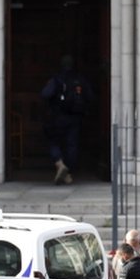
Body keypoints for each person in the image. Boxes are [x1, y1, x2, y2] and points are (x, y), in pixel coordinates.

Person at [40, 55, 94, 185]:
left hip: (58, 117)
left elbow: (45, 94)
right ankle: (68, 173)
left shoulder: (57, 79)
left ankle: (59, 164)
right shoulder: (80, 79)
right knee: (72, 145)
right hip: (75, 117)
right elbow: (90, 96)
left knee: (54, 141)